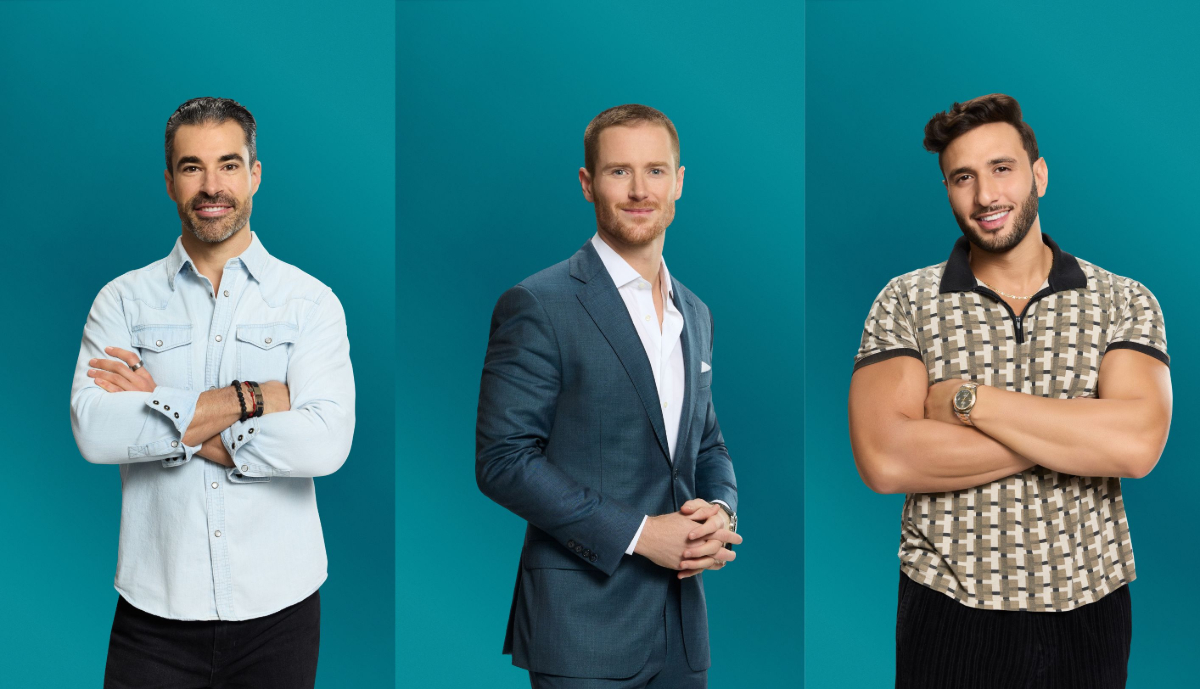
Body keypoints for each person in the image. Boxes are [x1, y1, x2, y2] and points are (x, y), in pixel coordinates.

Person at [848, 93, 1172, 689]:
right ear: (947, 189)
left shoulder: (1125, 300)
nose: (986, 196)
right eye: (962, 178)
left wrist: (971, 404)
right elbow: (886, 457)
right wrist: (1077, 430)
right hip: (949, 608)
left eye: (1002, 169)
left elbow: (1137, 445)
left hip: (1089, 607)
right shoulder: (904, 301)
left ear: (1038, 174)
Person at [70, 97, 355, 689]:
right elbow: (97, 433)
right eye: (192, 167)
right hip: (155, 611)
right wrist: (253, 397)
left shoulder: (310, 303)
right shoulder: (122, 301)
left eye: (228, 164)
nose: (211, 186)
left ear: (254, 174)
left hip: (281, 609)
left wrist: (159, 403)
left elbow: (324, 446)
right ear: (170, 181)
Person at [476, 104, 742, 689]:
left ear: (678, 182)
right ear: (588, 183)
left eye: (655, 171)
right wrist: (645, 535)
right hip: (582, 632)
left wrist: (719, 511)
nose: (640, 190)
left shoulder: (694, 313)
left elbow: (707, 444)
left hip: (681, 631)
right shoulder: (539, 303)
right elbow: (503, 462)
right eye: (619, 172)